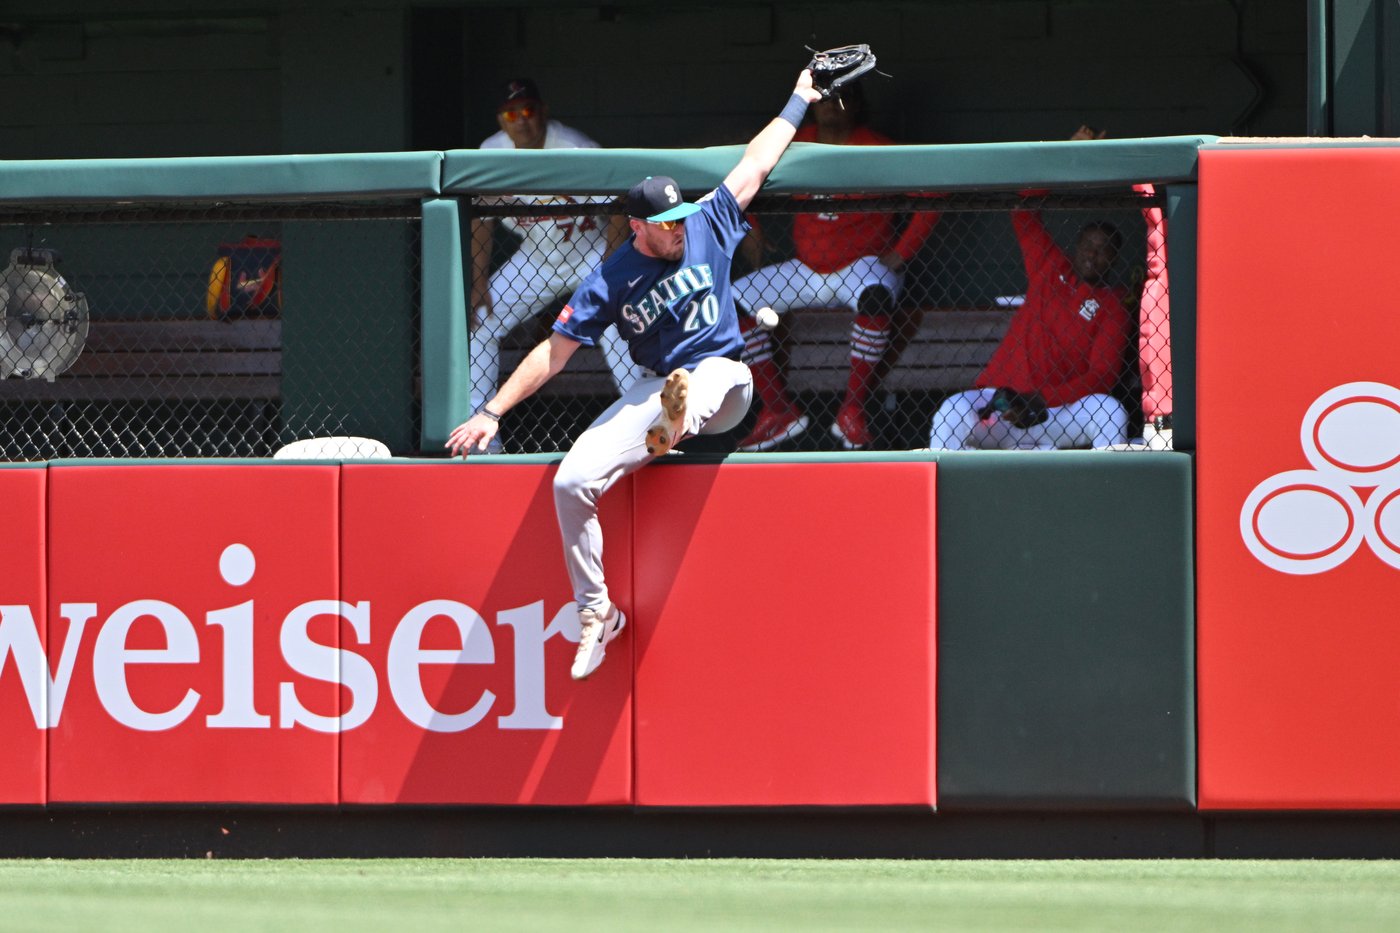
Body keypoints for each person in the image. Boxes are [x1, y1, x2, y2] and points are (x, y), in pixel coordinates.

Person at [448, 67, 826, 681]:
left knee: (697, 386)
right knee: (571, 481)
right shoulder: (614, 276)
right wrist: (492, 411)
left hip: (726, 379)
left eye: (680, 217)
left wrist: (799, 99)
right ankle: (599, 612)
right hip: (659, 387)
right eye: (666, 222)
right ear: (638, 226)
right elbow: (556, 349)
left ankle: (669, 429)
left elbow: (756, 162)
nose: (678, 227)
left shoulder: (707, 221)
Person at [733, 82, 941, 451]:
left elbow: (935, 193)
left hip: (861, 267)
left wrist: (902, 252)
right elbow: (744, 173)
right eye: (825, 98)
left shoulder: (877, 147)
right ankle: (778, 409)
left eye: (842, 98)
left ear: (858, 105)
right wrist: (753, 231)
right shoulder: (796, 144)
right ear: (812, 106)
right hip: (805, 269)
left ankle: (853, 410)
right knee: (732, 301)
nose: (832, 105)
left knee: (876, 297)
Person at [469, 78, 641, 451]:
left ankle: (644, 431)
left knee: (617, 325)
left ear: (543, 112)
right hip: (536, 257)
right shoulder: (491, 152)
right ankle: (482, 437)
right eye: (511, 113)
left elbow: (617, 207)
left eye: (528, 111)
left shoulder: (577, 147)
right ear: (501, 120)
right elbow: (480, 221)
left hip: (589, 252)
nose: (521, 120)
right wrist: (478, 279)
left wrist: (610, 269)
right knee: (482, 320)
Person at [927, 184, 1131, 450]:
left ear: (1114, 258)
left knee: (1110, 410)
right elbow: (1023, 214)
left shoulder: (1113, 304)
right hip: (1001, 408)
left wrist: (1042, 399)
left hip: (1055, 413)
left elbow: (1102, 376)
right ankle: (949, 488)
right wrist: (1054, 160)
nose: (1093, 253)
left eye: (1103, 248)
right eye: (1088, 244)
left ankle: (1108, 488)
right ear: (1077, 246)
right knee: (952, 410)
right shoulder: (1051, 266)